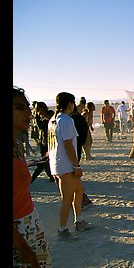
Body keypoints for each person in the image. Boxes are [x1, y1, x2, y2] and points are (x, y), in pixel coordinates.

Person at [13, 86, 53, 268]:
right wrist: (23, 247)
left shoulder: (16, 142)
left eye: (26, 106)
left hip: (30, 220)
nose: (28, 111)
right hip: (14, 231)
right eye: (19, 107)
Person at [47, 92, 93, 240]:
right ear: (69, 103)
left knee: (79, 190)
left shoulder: (53, 120)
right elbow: (68, 145)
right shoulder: (66, 120)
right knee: (67, 197)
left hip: (58, 163)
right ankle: (62, 229)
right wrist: (76, 165)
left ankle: (79, 220)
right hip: (65, 165)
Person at [70, 101, 94, 210]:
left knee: (72, 180)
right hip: (74, 152)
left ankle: (81, 201)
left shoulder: (72, 119)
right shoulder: (75, 118)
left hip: (71, 154)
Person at [30, 102, 54, 183]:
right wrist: (37, 116)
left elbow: (53, 120)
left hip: (51, 142)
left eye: (39, 108)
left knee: (44, 162)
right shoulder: (38, 117)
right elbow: (40, 127)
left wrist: (44, 115)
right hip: (43, 142)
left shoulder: (50, 113)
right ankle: (50, 176)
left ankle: (32, 179)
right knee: (44, 161)